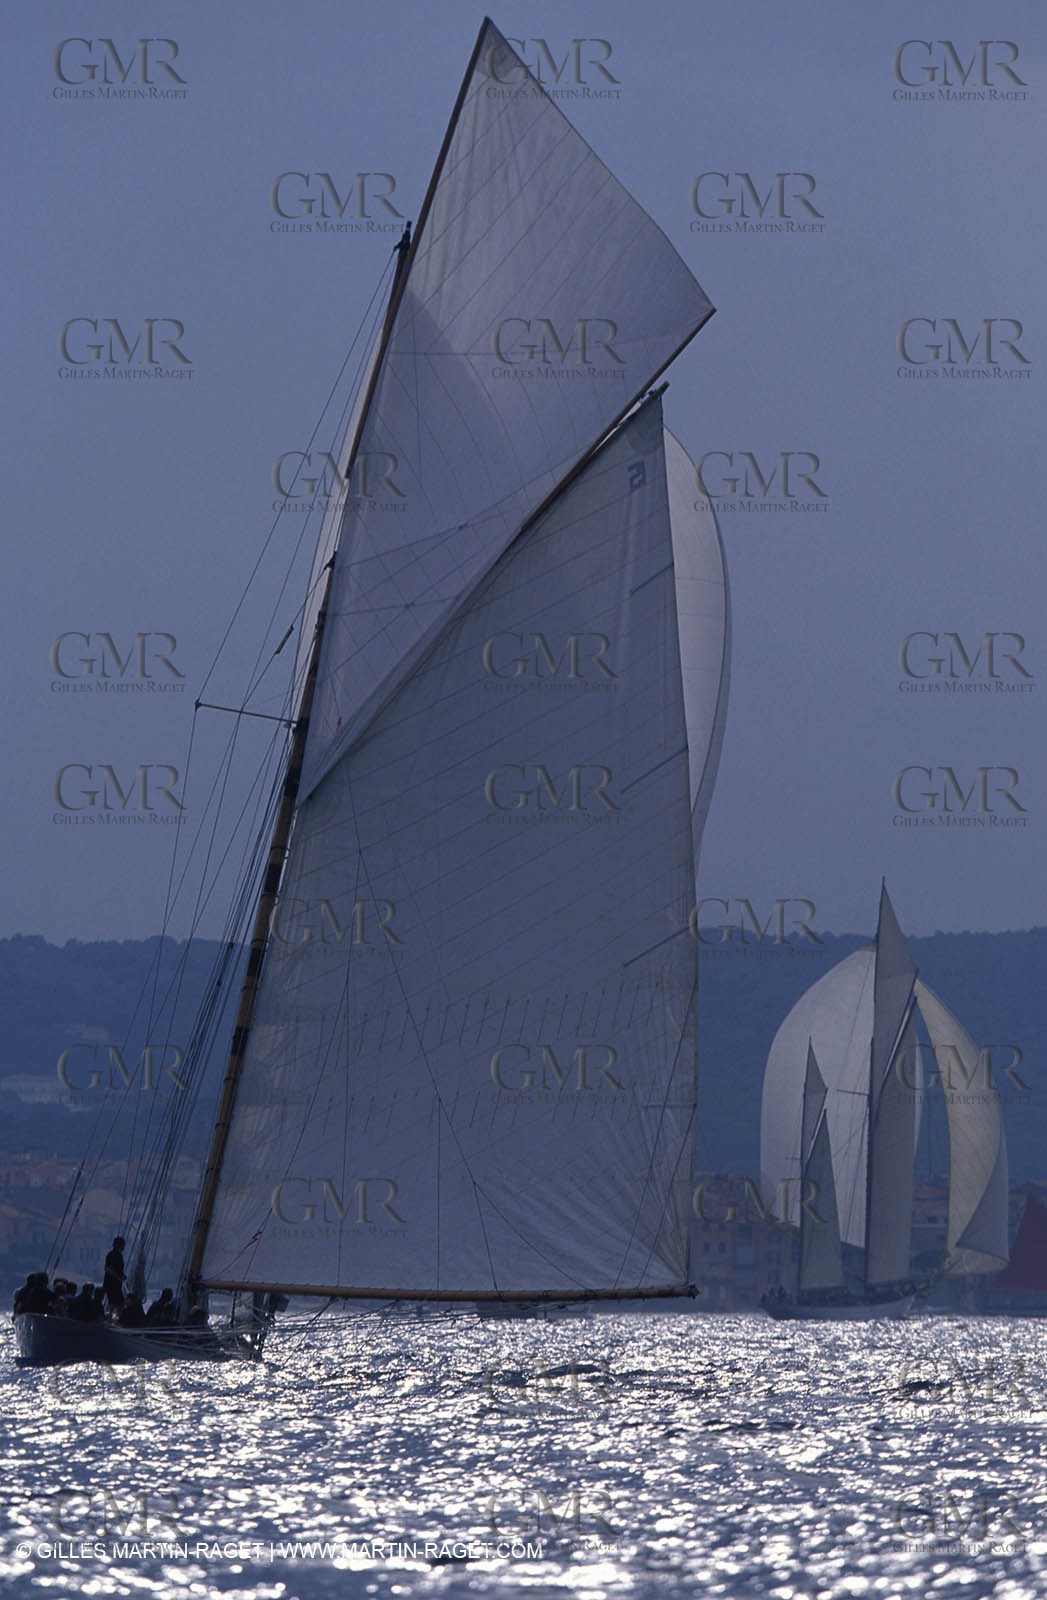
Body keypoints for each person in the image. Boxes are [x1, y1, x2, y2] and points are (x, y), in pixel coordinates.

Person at [102, 1236, 126, 1313]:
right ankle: (115, 1317)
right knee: (119, 1303)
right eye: (123, 1245)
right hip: (113, 1283)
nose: (124, 1247)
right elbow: (108, 1269)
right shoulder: (115, 1255)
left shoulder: (112, 1254)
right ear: (119, 1245)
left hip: (112, 1283)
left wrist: (122, 1275)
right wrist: (119, 1277)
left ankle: (111, 1316)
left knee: (113, 1302)